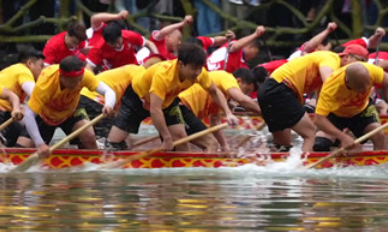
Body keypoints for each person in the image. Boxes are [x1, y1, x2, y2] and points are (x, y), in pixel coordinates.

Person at [105, 43, 239, 151]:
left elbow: (214, 91)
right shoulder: (163, 76)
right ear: (180, 64)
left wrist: (228, 112)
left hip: (167, 102)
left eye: (200, 68)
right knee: (113, 144)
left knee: (181, 139)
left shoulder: (200, 73)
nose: (197, 73)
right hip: (137, 98)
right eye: (194, 68)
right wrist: (166, 137)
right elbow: (155, 110)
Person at [314, 62, 388, 153]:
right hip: (336, 114)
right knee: (321, 144)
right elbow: (319, 119)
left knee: (379, 134)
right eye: (359, 86)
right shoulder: (331, 87)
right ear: (347, 82)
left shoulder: (372, 70)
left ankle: (380, 164)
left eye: (367, 84)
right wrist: (342, 137)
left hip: (362, 110)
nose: (364, 89)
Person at [24, 56, 116, 158]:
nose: (78, 84)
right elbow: (28, 115)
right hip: (45, 115)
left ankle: (95, 165)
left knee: (89, 137)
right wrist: (39, 143)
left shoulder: (84, 75)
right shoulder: (45, 83)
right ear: (62, 77)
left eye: (80, 80)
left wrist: (108, 105)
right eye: (73, 81)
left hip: (71, 110)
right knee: (24, 147)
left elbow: (108, 91)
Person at [257, 49, 345, 152]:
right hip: (280, 90)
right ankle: (304, 167)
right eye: (359, 61)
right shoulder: (332, 58)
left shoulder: (325, 66)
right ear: (347, 56)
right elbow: (329, 82)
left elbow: (322, 102)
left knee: (283, 145)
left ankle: (262, 162)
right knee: (310, 133)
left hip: (267, 91)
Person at [179, 68, 261, 152]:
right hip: (182, 107)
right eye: (246, 91)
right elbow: (241, 99)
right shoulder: (227, 77)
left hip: (181, 109)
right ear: (239, 81)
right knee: (211, 144)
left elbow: (214, 122)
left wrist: (224, 145)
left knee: (177, 147)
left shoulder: (222, 96)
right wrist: (263, 112)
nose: (245, 95)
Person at [0, 51, 44, 147]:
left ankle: (15, 154)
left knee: (21, 131)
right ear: (29, 63)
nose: (43, 71)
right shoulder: (24, 71)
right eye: (41, 66)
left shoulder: (12, 69)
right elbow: (35, 94)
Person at [85, 21, 155, 72]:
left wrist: (158, 57)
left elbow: (149, 43)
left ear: (121, 35)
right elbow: (88, 68)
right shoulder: (99, 47)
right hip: (113, 73)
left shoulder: (129, 35)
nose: (117, 45)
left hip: (134, 67)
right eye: (113, 44)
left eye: (118, 41)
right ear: (106, 42)